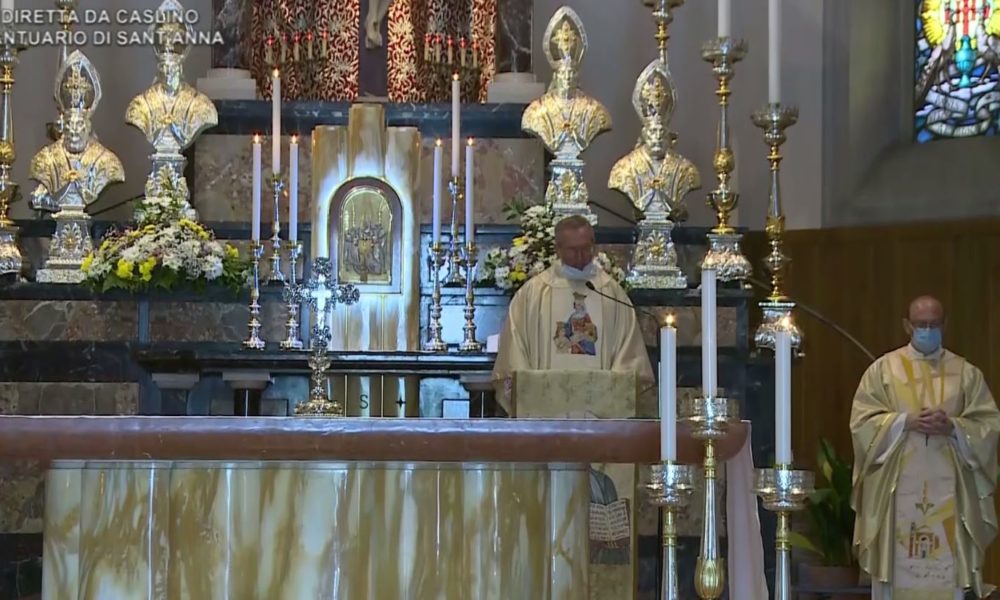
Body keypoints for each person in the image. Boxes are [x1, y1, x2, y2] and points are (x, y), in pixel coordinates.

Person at [850, 295, 1000, 599]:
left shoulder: (967, 374)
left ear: (945, 325)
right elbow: (862, 423)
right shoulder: (883, 371)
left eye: (933, 324)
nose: (927, 330)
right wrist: (903, 422)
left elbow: (988, 426)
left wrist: (954, 427)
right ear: (907, 325)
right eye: (921, 324)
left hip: (950, 491)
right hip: (897, 494)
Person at [492, 215, 654, 409]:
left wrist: (610, 397)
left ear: (594, 245)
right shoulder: (532, 294)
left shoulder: (612, 293)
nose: (580, 256)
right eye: (573, 250)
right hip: (545, 414)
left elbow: (629, 356)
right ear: (558, 248)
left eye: (586, 248)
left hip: (599, 416)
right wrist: (532, 395)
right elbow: (515, 354)